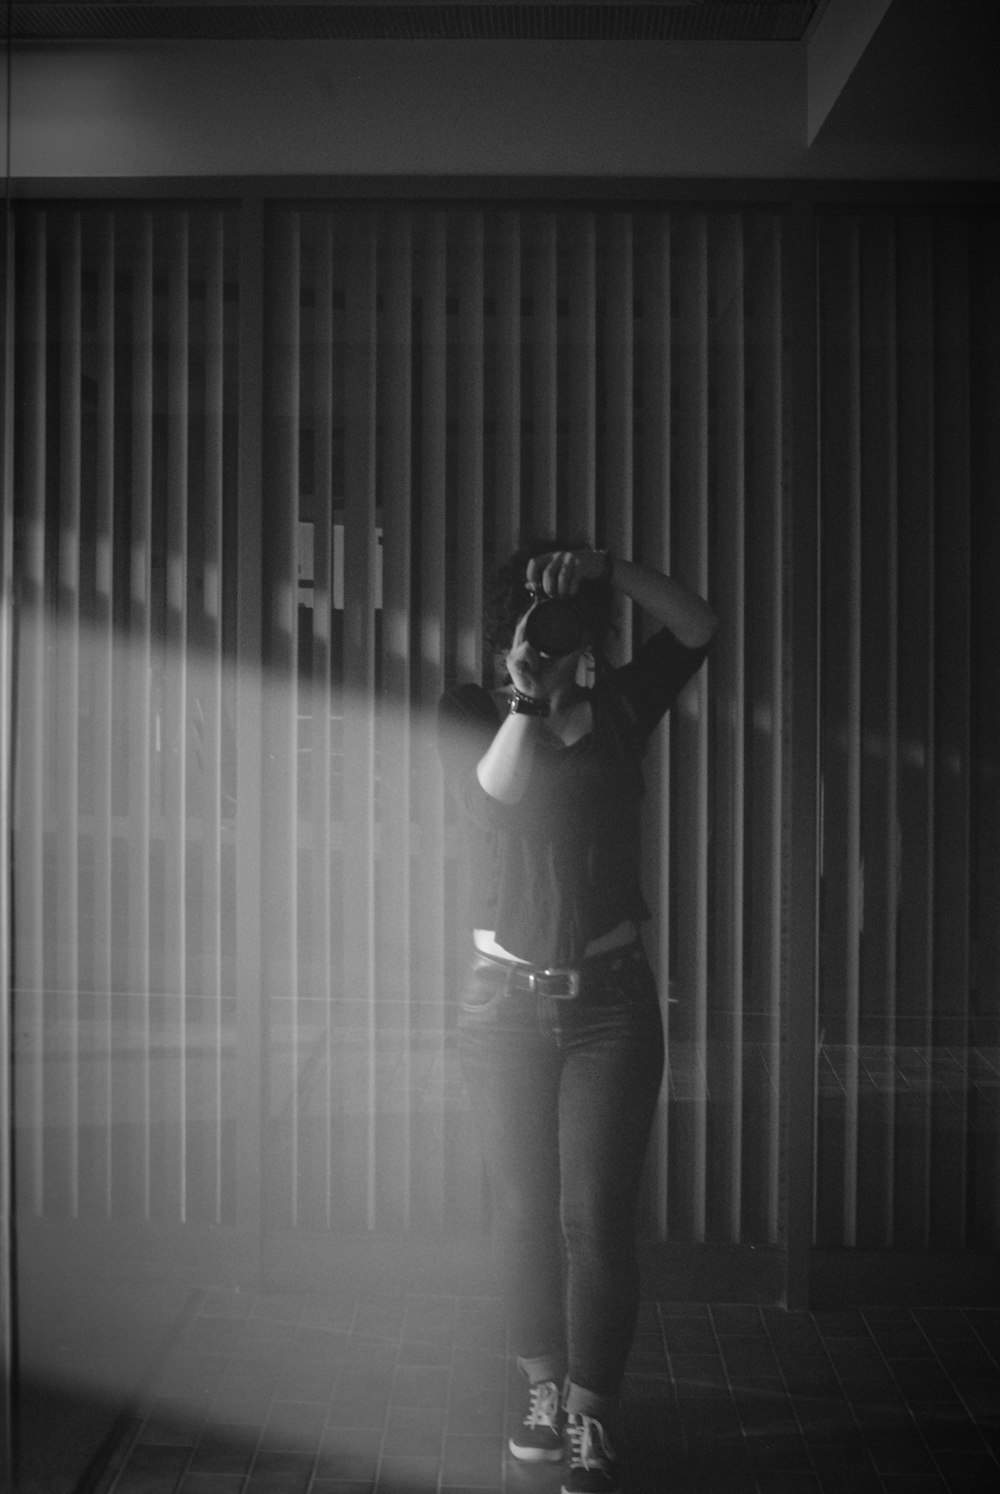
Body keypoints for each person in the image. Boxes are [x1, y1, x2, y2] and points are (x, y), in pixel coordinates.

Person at [437, 539, 715, 1494]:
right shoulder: (470, 709)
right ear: (502, 625)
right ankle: (541, 1398)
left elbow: (698, 625)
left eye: (560, 617)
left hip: (611, 1005)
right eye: (529, 614)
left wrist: (608, 569)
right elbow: (493, 796)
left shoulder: (626, 708)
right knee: (522, 1215)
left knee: (597, 1220)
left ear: (586, 628)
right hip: (500, 1006)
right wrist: (524, 693)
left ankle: (593, 1416)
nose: (546, 633)